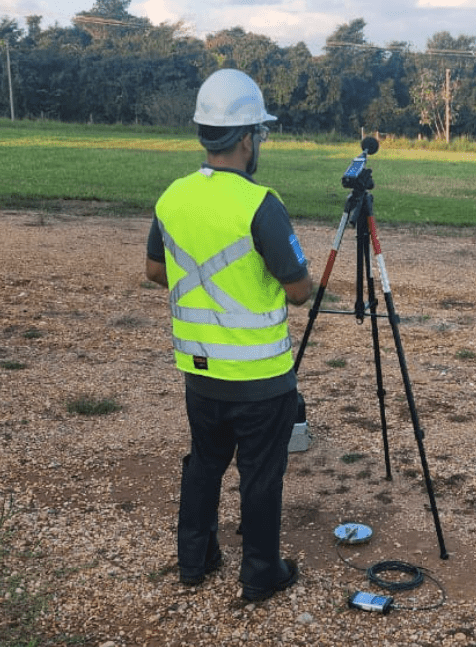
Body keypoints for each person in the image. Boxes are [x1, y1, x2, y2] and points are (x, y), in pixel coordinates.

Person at [144, 69, 312, 603]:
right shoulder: (261, 203)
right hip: (261, 377)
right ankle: (261, 572)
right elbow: (299, 290)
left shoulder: (173, 196)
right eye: (258, 134)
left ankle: (194, 560)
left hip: (199, 371)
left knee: (204, 463)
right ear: (247, 137)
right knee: (260, 475)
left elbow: (153, 271)